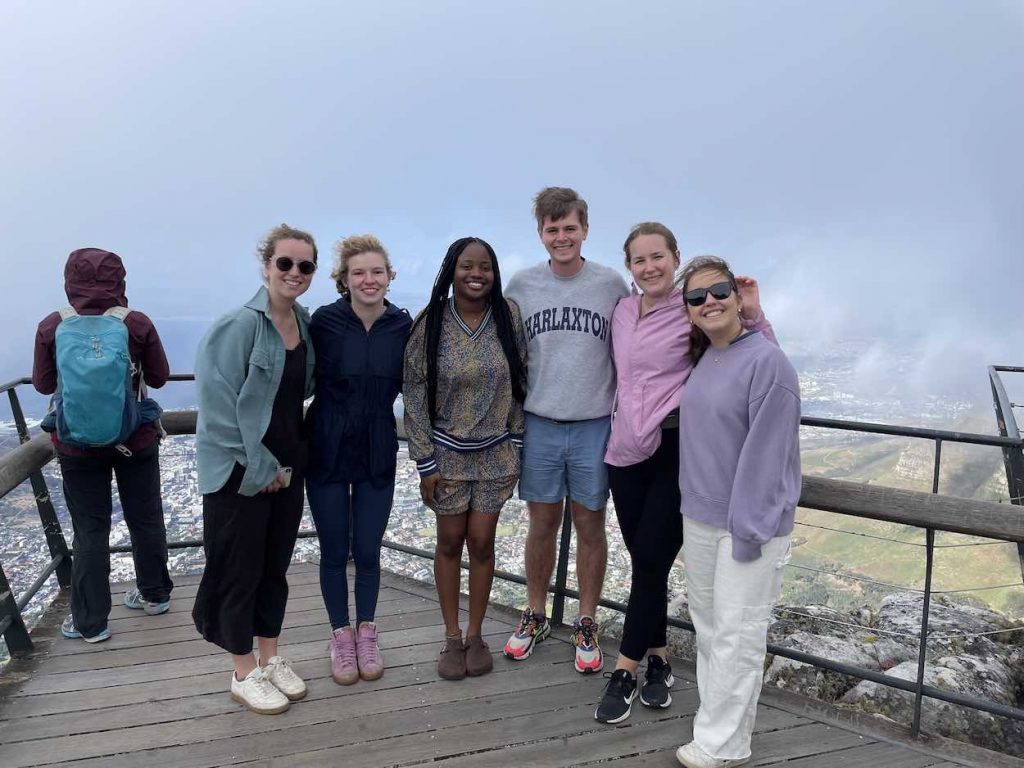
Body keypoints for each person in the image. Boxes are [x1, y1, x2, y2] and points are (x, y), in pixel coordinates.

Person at [596, 225, 775, 724]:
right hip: (624, 452)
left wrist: (754, 312)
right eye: (639, 260)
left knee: (651, 561)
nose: (649, 267)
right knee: (645, 564)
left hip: (677, 450)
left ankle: (625, 671)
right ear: (629, 268)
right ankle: (660, 660)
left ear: (675, 258)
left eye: (658, 257)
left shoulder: (693, 306)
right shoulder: (623, 311)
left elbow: (753, 350)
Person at [674, 255, 800, 768]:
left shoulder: (767, 362)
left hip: (747, 526)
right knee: (710, 629)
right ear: (687, 311)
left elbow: (768, 456)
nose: (710, 301)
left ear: (737, 295)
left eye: (719, 290)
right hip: (701, 519)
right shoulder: (709, 356)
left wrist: (749, 529)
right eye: (697, 296)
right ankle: (719, 730)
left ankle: (721, 745)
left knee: (738, 634)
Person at [192, 224, 317, 715]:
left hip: (286, 470)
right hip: (239, 474)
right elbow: (218, 408)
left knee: (274, 568)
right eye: (284, 263)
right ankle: (243, 671)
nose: (294, 272)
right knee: (237, 569)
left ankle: (269, 657)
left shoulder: (301, 322)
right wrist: (261, 467)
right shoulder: (238, 326)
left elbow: (296, 393)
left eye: (304, 266)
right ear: (266, 265)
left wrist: (285, 466)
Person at [503, 187, 628, 673]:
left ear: (585, 230)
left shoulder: (610, 284)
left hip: (596, 423)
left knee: (591, 525)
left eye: (569, 228)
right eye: (551, 229)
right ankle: (535, 613)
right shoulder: (522, 285)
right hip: (540, 422)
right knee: (542, 525)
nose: (561, 237)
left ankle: (587, 619)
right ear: (540, 233)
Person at [32, 248, 173, 643]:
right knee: (145, 518)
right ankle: (155, 594)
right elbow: (159, 378)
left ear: (68, 280)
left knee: (90, 530)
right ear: (120, 281)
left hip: (77, 446)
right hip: (136, 439)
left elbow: (43, 385)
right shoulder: (136, 323)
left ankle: (91, 622)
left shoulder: (52, 326)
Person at [403, 237, 527, 681]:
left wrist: (516, 443)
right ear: (451, 270)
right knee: (450, 543)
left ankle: (476, 634)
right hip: (447, 457)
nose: (476, 274)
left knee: (482, 544)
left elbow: (520, 377)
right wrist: (425, 461)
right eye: (467, 266)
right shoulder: (431, 321)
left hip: (496, 454)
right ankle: (451, 636)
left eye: (485, 267)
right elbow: (413, 390)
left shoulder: (508, 317)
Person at [306, 234, 411, 685]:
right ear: (343, 280)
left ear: (389, 277)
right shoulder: (323, 323)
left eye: (377, 271)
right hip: (325, 445)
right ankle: (340, 635)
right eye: (358, 272)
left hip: (377, 446)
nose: (369, 280)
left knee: (367, 549)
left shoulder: (403, 327)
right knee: (333, 550)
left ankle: (367, 630)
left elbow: (422, 387)